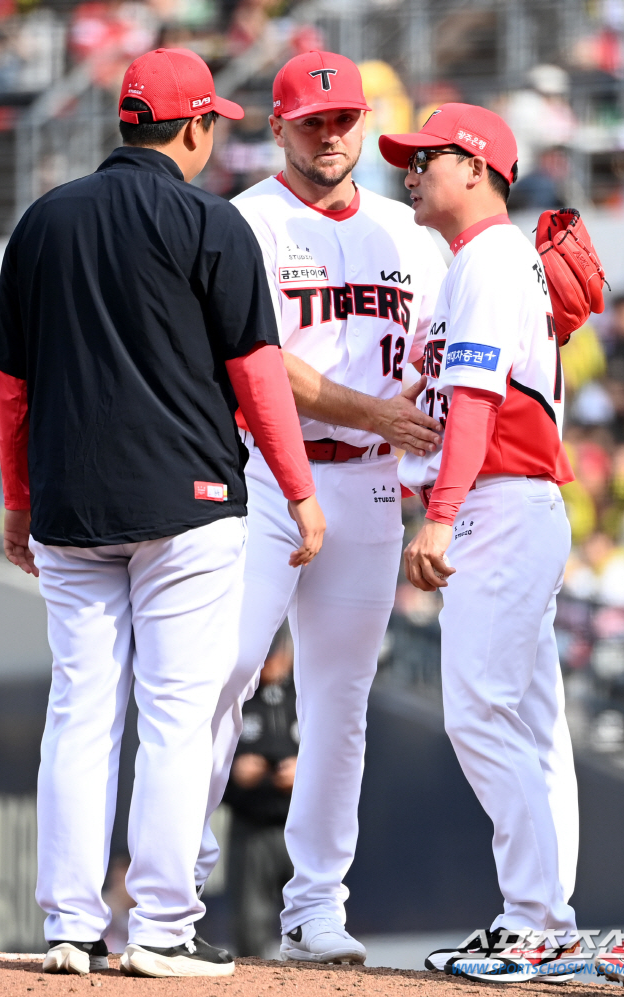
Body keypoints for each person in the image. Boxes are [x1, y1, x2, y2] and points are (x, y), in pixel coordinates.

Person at [0, 46, 325, 980]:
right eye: (213, 122)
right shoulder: (209, 221)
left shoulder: (43, 220)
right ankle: (163, 929)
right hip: (190, 502)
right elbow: (258, 375)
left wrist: (16, 501)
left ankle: (70, 928)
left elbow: (10, 386)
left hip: (69, 503)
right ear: (193, 126)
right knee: (177, 717)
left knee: (79, 715)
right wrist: (298, 489)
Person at [193, 50, 447, 965]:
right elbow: (261, 364)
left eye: (345, 120)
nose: (332, 135)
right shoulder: (246, 223)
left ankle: (316, 905)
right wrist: (380, 411)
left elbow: (438, 359)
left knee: (341, 704)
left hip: (374, 479)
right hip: (267, 469)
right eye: (314, 121)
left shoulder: (408, 234)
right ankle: (182, 875)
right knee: (220, 675)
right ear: (279, 127)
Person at [379, 103, 580, 981]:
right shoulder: (481, 260)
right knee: (529, 724)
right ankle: (544, 917)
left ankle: (540, 918)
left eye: (427, 158)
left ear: (477, 165)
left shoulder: (493, 257)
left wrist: (442, 514)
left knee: (479, 711)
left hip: (503, 502)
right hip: (513, 504)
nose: (411, 170)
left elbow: (477, 401)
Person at [224, 627, 298, 957]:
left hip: (301, 826)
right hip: (250, 826)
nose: (271, 661)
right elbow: (202, 760)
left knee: (309, 923)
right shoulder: (235, 692)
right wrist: (234, 770)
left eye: (277, 652)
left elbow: (345, 756)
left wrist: (306, 770)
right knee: (251, 928)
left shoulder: (305, 693)